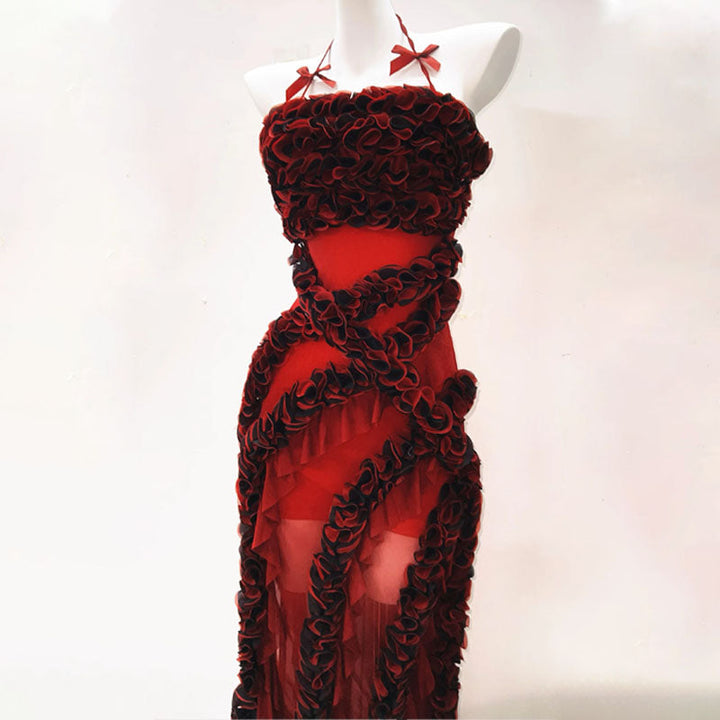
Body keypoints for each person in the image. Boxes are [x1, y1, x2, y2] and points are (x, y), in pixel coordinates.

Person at [232, 2, 521, 717]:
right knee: (298, 582)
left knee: (397, 583)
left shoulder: (474, 52)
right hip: (306, 393)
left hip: (407, 381)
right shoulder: (273, 82)